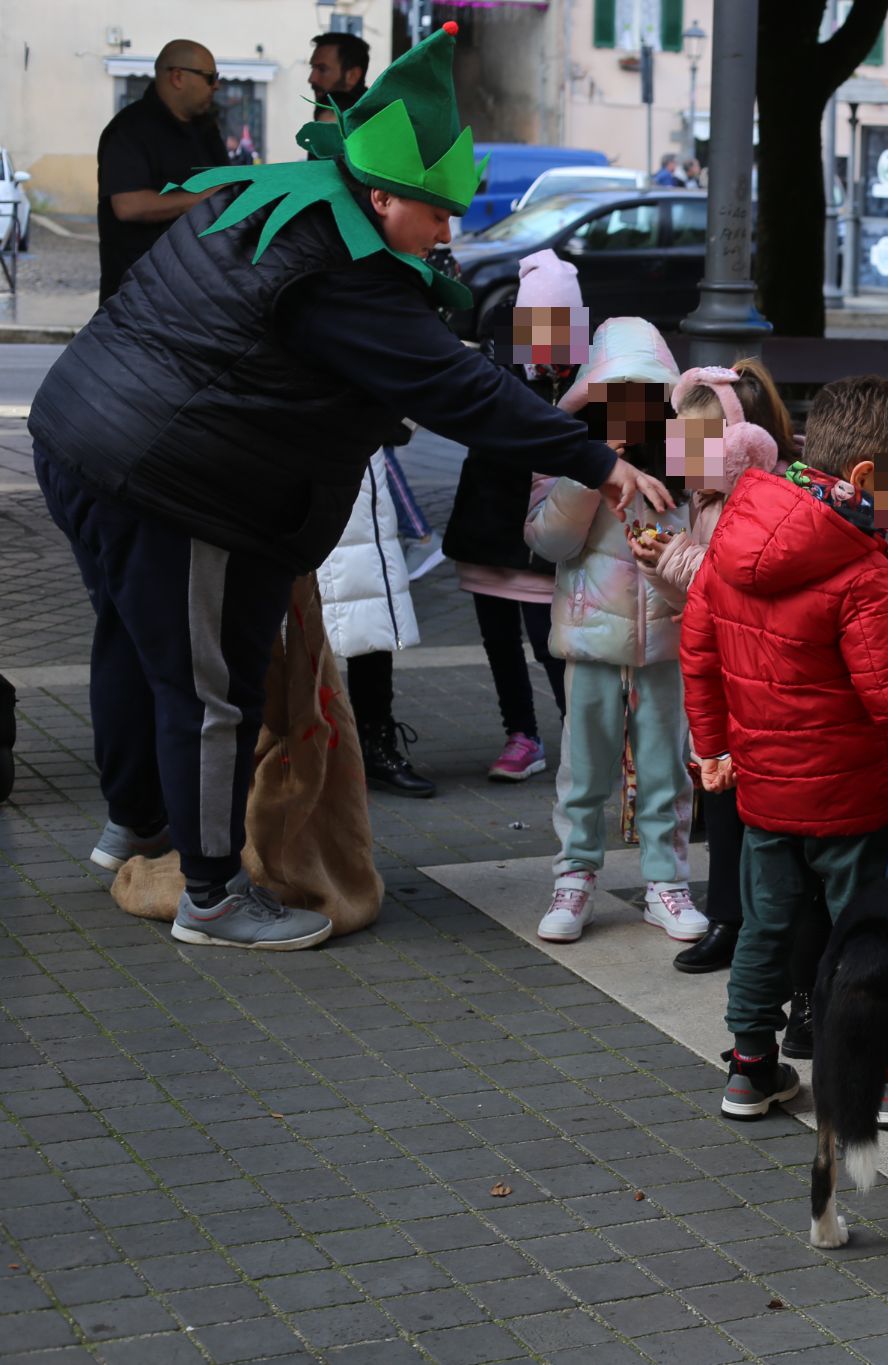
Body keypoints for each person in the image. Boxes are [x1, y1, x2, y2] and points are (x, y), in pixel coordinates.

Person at [31, 22, 672, 952]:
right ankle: (210, 895)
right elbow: (457, 387)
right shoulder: (337, 268)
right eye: (438, 213)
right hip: (167, 477)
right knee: (209, 689)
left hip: (84, 435)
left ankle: (135, 826)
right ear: (380, 195)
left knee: (139, 646)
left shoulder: (281, 202)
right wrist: (600, 461)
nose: (450, 232)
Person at [683, 376, 888, 1120]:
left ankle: (751, 1068)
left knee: (764, 928)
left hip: (765, 796)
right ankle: (884, 1076)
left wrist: (712, 745)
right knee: (869, 936)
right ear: (869, 478)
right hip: (850, 798)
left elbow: (698, 649)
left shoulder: (735, 527)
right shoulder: (857, 567)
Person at [527, 318, 702, 947]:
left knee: (666, 769)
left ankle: (666, 882)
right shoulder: (564, 451)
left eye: (645, 397)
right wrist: (590, 476)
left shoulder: (689, 458)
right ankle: (573, 878)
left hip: (668, 641)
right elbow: (547, 540)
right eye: (615, 397)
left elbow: (711, 549)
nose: (630, 411)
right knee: (584, 768)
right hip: (592, 640)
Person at [634, 359, 798, 974]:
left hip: (767, 688)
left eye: (693, 438)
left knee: (766, 816)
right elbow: (701, 601)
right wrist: (661, 563)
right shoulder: (706, 501)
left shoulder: (770, 502)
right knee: (723, 807)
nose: (678, 447)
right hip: (726, 686)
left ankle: (769, 925)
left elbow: (739, 584)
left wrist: (677, 559)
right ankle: (731, 918)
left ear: (742, 446)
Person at [447, 250, 586, 782]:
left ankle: (579, 733)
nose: (551, 342)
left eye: (564, 326)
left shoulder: (592, 368)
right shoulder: (496, 364)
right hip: (490, 525)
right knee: (498, 637)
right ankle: (522, 734)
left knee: (553, 642)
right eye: (540, 324)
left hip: (548, 536)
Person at [316, 430, 437, 799]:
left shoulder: (608, 377)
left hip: (361, 493)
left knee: (370, 624)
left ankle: (376, 745)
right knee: (293, 642)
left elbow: (401, 422)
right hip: (304, 477)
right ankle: (303, 755)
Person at [96, 40, 229, 301]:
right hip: (140, 296)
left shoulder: (206, 130)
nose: (217, 86)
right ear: (178, 77)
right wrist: (203, 199)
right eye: (210, 77)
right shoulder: (130, 129)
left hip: (199, 293)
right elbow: (128, 205)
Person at [309, 31, 372, 109]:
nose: (311, 79)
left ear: (353, 76)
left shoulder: (375, 118)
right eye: (312, 68)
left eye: (322, 69)